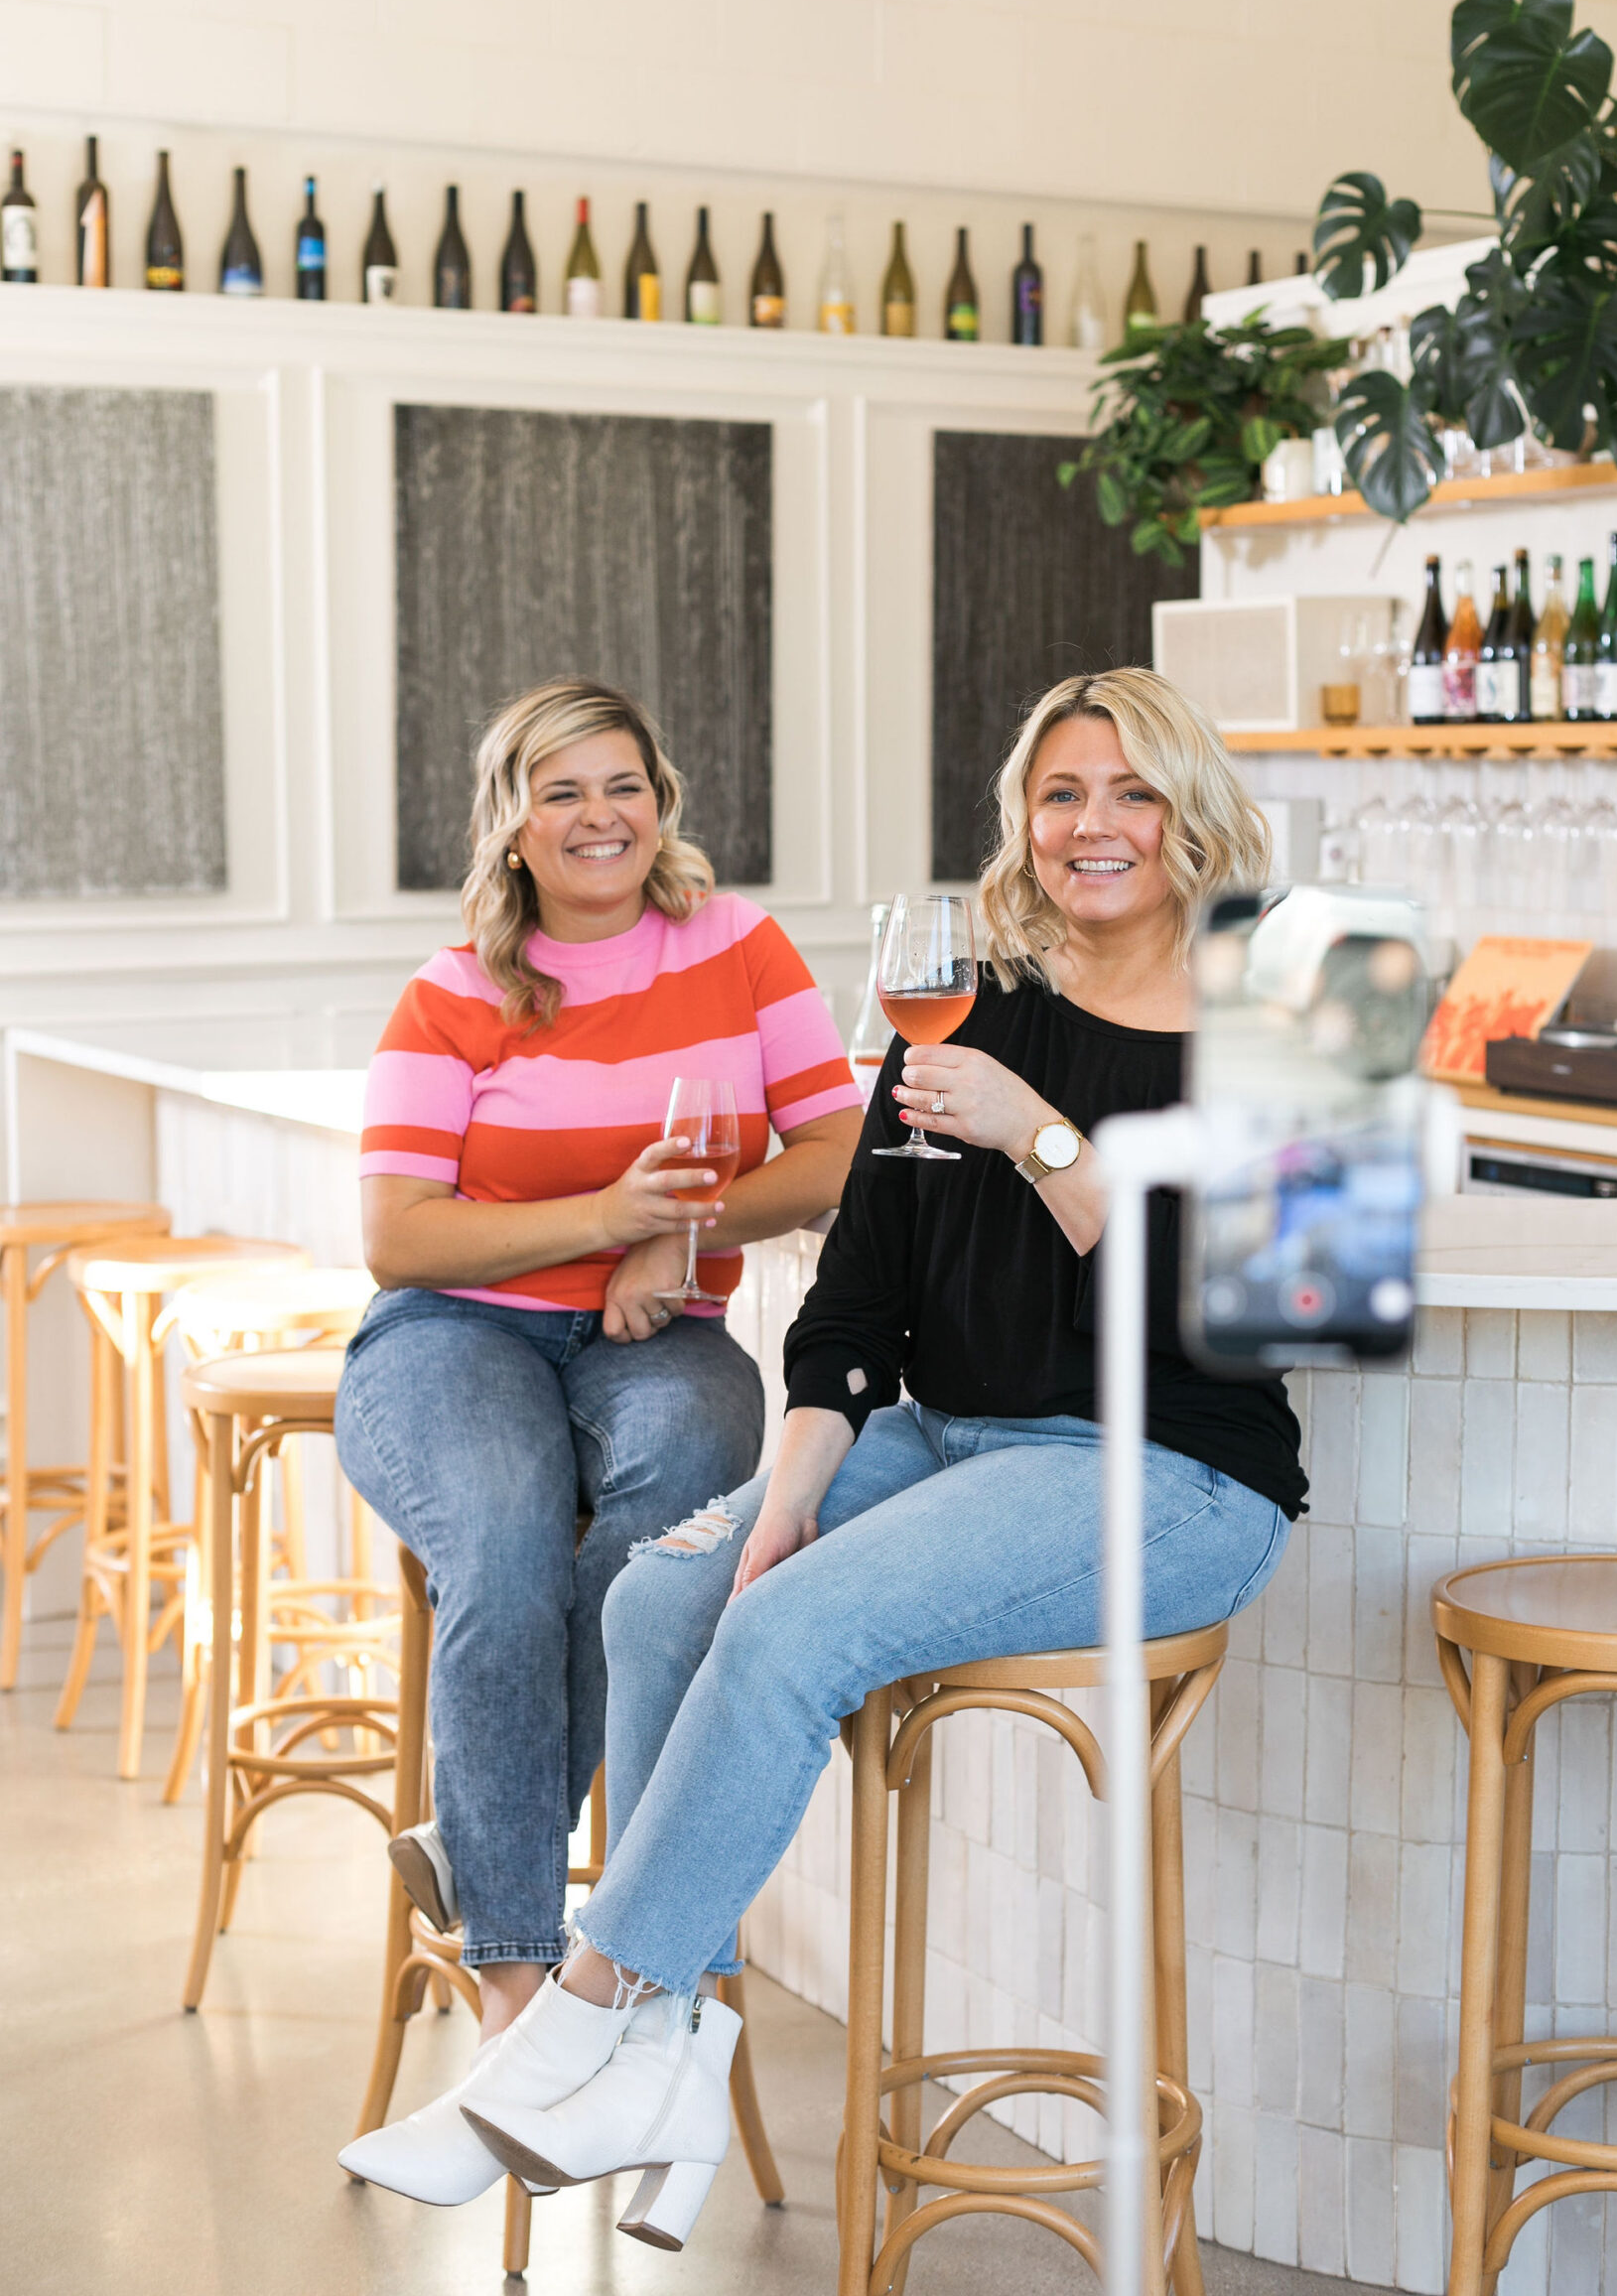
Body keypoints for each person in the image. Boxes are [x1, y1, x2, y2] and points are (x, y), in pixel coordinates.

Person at [344, 666, 1307, 2245]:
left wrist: (1042, 1138)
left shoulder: (1295, 1011)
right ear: (1024, 820)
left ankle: (566, 2042)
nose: (1095, 825)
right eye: (1061, 793)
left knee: (788, 1633)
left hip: (1171, 1470)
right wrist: (784, 1496)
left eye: (1132, 790)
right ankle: (667, 2046)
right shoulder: (971, 999)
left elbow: (1257, 1313)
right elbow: (859, 1303)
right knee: (668, 1593)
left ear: (1189, 808)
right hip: (947, 1437)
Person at [337, 678, 862, 2202]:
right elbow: (397, 1235)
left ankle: (506, 1851)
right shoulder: (452, 992)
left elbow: (836, 1153)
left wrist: (673, 1234)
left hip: (661, 1336)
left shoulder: (739, 949)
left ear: (662, 799)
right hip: (454, 1334)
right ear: (511, 825)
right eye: (560, 791)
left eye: (623, 783)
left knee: (667, 1545)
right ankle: (518, 1991)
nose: (598, 817)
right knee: (507, 1548)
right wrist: (604, 1217)